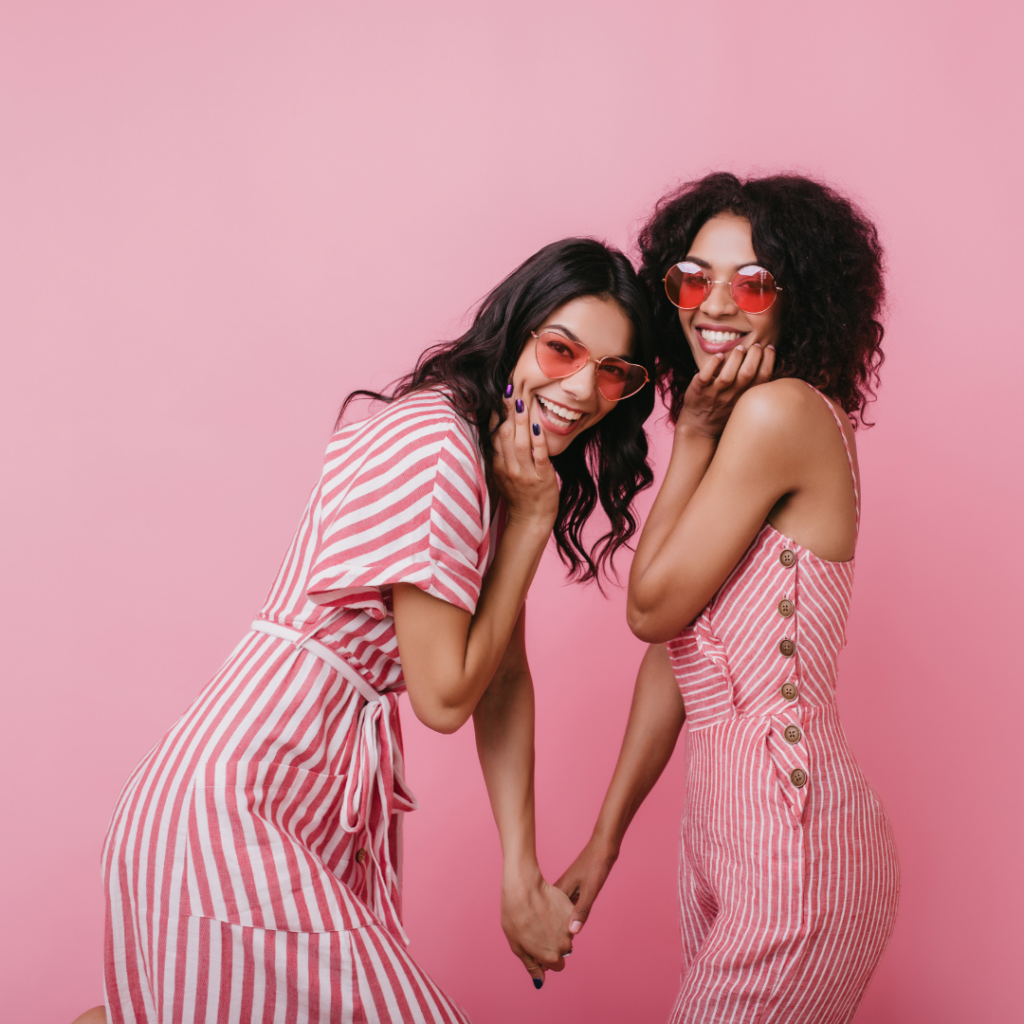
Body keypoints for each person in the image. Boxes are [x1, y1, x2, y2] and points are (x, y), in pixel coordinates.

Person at [92, 237, 655, 1024]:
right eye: (561, 350)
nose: (583, 388)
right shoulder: (440, 448)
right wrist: (529, 522)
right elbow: (446, 696)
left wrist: (520, 872)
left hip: (283, 801)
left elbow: (502, 675)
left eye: (614, 372)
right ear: (515, 329)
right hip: (237, 813)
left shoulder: (488, 455)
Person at [556, 174, 900, 1023]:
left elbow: (652, 608)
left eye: (752, 283)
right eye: (692, 278)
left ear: (800, 300)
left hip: (794, 846)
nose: (715, 304)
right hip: (726, 840)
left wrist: (696, 436)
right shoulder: (752, 415)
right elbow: (676, 660)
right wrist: (605, 841)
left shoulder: (775, 416)